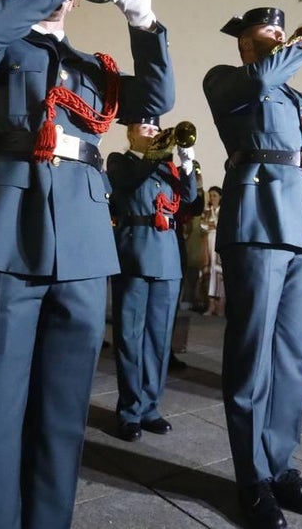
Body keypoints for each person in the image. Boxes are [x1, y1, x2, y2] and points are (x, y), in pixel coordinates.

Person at [0, 0, 173, 529]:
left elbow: (156, 97)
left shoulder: (89, 68)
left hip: (81, 241)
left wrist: (143, 19)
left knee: (62, 414)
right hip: (5, 237)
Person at [203, 5, 302, 528]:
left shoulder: (294, 94)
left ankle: (281, 466)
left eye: (281, 29)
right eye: (268, 30)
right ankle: (251, 479)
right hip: (258, 218)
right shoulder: (228, 79)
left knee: (293, 355)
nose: (278, 34)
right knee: (252, 354)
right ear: (244, 42)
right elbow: (266, 76)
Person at [106, 116, 197, 442]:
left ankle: (150, 407)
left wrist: (186, 163)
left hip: (167, 257)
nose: (154, 134)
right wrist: (153, 156)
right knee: (130, 337)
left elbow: (190, 199)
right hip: (134, 253)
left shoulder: (166, 167)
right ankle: (130, 409)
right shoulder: (120, 162)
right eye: (146, 128)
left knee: (159, 341)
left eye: (157, 130)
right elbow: (126, 185)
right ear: (131, 132)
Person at [197, 186, 224, 316]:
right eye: (211, 196)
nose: (212, 198)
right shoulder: (207, 211)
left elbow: (222, 225)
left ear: (220, 197)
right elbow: (202, 226)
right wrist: (213, 225)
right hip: (208, 244)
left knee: (219, 275)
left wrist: (212, 225)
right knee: (208, 274)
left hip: (219, 245)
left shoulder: (224, 211)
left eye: (215, 195)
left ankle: (220, 307)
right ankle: (210, 304)